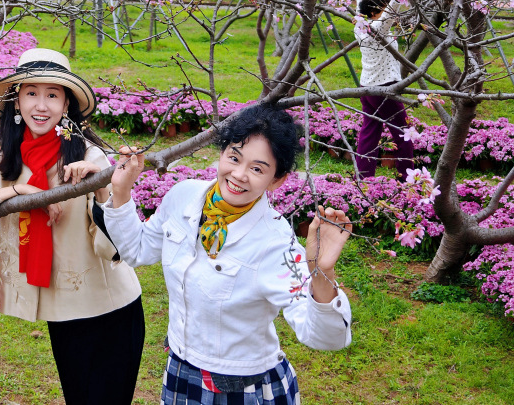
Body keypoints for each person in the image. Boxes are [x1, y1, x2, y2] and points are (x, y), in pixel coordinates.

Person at [104, 103, 354, 405]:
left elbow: (326, 337)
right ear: (222, 152)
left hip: (243, 389)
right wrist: (121, 191)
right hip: (181, 370)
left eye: (257, 169)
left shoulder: (274, 242)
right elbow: (138, 250)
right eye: (234, 157)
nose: (238, 174)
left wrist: (321, 271)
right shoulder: (184, 196)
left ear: (277, 180)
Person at [0, 49, 144, 405]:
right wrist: (22, 193)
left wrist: (101, 187)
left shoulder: (86, 156)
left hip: (109, 306)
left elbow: (115, 245)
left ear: (66, 104)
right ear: (17, 101)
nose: (41, 105)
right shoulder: (5, 156)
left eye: (52, 95)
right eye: (31, 93)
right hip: (63, 311)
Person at [353, 0, 415, 179]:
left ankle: (363, 178)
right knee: (404, 134)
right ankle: (408, 178)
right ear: (373, 13)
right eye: (383, 8)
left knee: (369, 133)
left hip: (367, 88)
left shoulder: (359, 26)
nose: (388, 12)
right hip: (385, 90)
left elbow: (360, 9)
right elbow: (390, 13)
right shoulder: (377, 29)